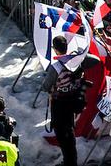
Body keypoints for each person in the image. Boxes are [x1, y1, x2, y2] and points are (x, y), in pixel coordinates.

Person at [42, 34, 101, 166]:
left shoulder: (56, 66)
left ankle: (69, 162)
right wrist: (80, 56)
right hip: (73, 101)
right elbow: (96, 60)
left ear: (55, 49)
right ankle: (70, 160)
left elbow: (45, 86)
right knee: (69, 131)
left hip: (60, 103)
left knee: (63, 134)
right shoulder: (76, 61)